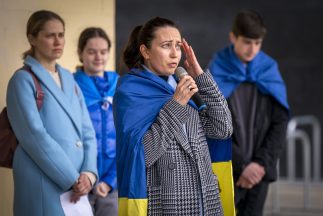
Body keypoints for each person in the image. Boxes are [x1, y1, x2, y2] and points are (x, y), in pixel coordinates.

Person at [113, 17, 233, 216]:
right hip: (168, 204)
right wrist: (176, 105)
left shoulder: (182, 84)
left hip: (207, 201)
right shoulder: (130, 91)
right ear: (145, 51)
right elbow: (142, 154)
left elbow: (223, 129)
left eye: (178, 46)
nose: (174, 53)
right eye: (166, 45)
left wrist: (201, 77)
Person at [6, 10, 98, 216]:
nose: (58, 41)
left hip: (77, 186)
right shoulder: (22, 80)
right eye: (50, 35)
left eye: (61, 34)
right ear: (32, 38)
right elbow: (34, 136)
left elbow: (88, 132)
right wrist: (71, 179)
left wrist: (90, 174)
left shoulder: (69, 78)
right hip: (44, 182)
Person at [207, 10, 290, 216]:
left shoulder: (268, 69)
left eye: (258, 43)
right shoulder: (217, 69)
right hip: (226, 167)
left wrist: (260, 164)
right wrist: (242, 165)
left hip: (259, 172)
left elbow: (280, 122)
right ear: (233, 37)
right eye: (247, 42)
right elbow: (209, 122)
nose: (252, 49)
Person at [74, 27, 118, 216]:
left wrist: (111, 181)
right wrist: (77, 178)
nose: (98, 57)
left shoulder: (120, 84)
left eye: (103, 52)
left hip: (111, 184)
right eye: (91, 52)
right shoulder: (70, 85)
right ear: (80, 53)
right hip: (77, 182)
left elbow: (128, 139)